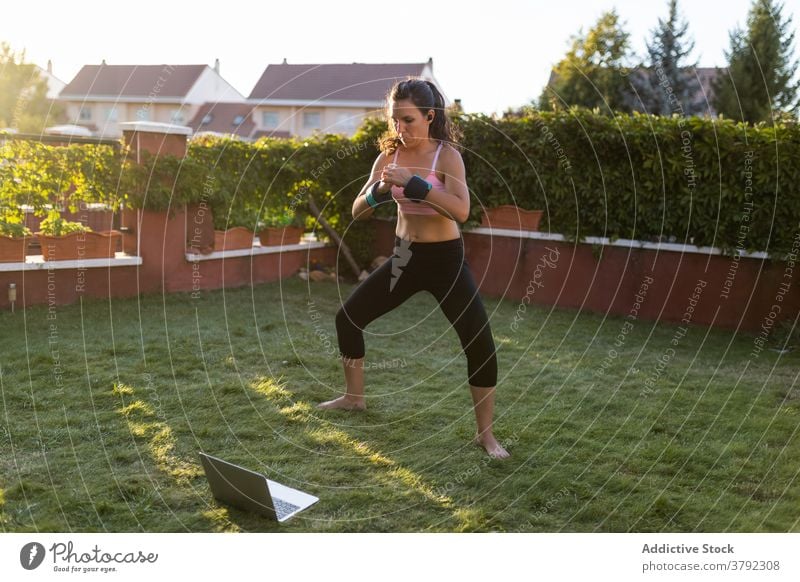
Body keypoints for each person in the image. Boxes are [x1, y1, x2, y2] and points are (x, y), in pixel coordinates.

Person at [317, 78, 509, 459]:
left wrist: (417, 185)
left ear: (429, 116)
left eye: (408, 120)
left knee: (481, 345)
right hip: (405, 257)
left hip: (446, 260)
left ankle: (485, 436)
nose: (400, 129)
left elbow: (461, 210)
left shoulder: (446, 156)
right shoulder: (387, 157)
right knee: (348, 318)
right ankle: (354, 399)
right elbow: (358, 211)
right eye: (395, 121)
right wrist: (380, 191)